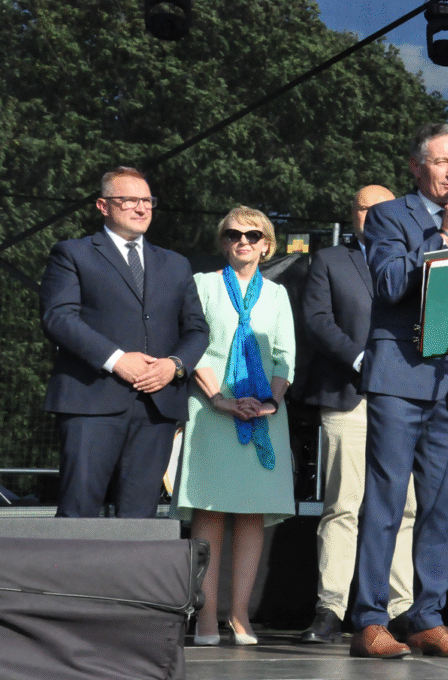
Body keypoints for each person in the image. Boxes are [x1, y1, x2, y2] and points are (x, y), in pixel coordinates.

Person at [349, 123, 448, 659]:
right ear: (417, 167)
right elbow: (388, 283)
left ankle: (427, 616)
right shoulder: (391, 215)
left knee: (439, 509)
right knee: (385, 503)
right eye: (442, 162)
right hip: (399, 378)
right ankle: (369, 617)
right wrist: (445, 238)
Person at [40, 166, 209, 518]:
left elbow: (196, 329)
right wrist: (116, 359)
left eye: (147, 200)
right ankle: (73, 577)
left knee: (139, 521)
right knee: (79, 514)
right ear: (103, 206)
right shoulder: (72, 253)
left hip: (157, 407)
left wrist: (174, 366)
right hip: (91, 402)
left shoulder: (176, 264)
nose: (141, 208)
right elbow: (59, 318)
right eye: (129, 199)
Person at [171, 206, 296, 646]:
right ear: (223, 241)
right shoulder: (203, 285)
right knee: (210, 511)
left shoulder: (278, 295)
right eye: (233, 234)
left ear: (266, 244)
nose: (242, 240)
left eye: (252, 234)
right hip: (211, 411)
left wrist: (269, 401)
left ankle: (240, 615)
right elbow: (194, 347)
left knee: (250, 514)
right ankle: (205, 617)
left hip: (263, 414)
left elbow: (284, 356)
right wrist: (221, 400)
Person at [299, 185, 417, 643]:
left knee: (402, 508)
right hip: (348, 395)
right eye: (363, 208)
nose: (371, 215)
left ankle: (401, 608)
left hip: (403, 399)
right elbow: (317, 320)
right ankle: (331, 607)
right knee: (342, 507)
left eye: (379, 208)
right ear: (352, 216)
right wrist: (361, 359)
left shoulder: (414, 259)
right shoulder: (329, 260)